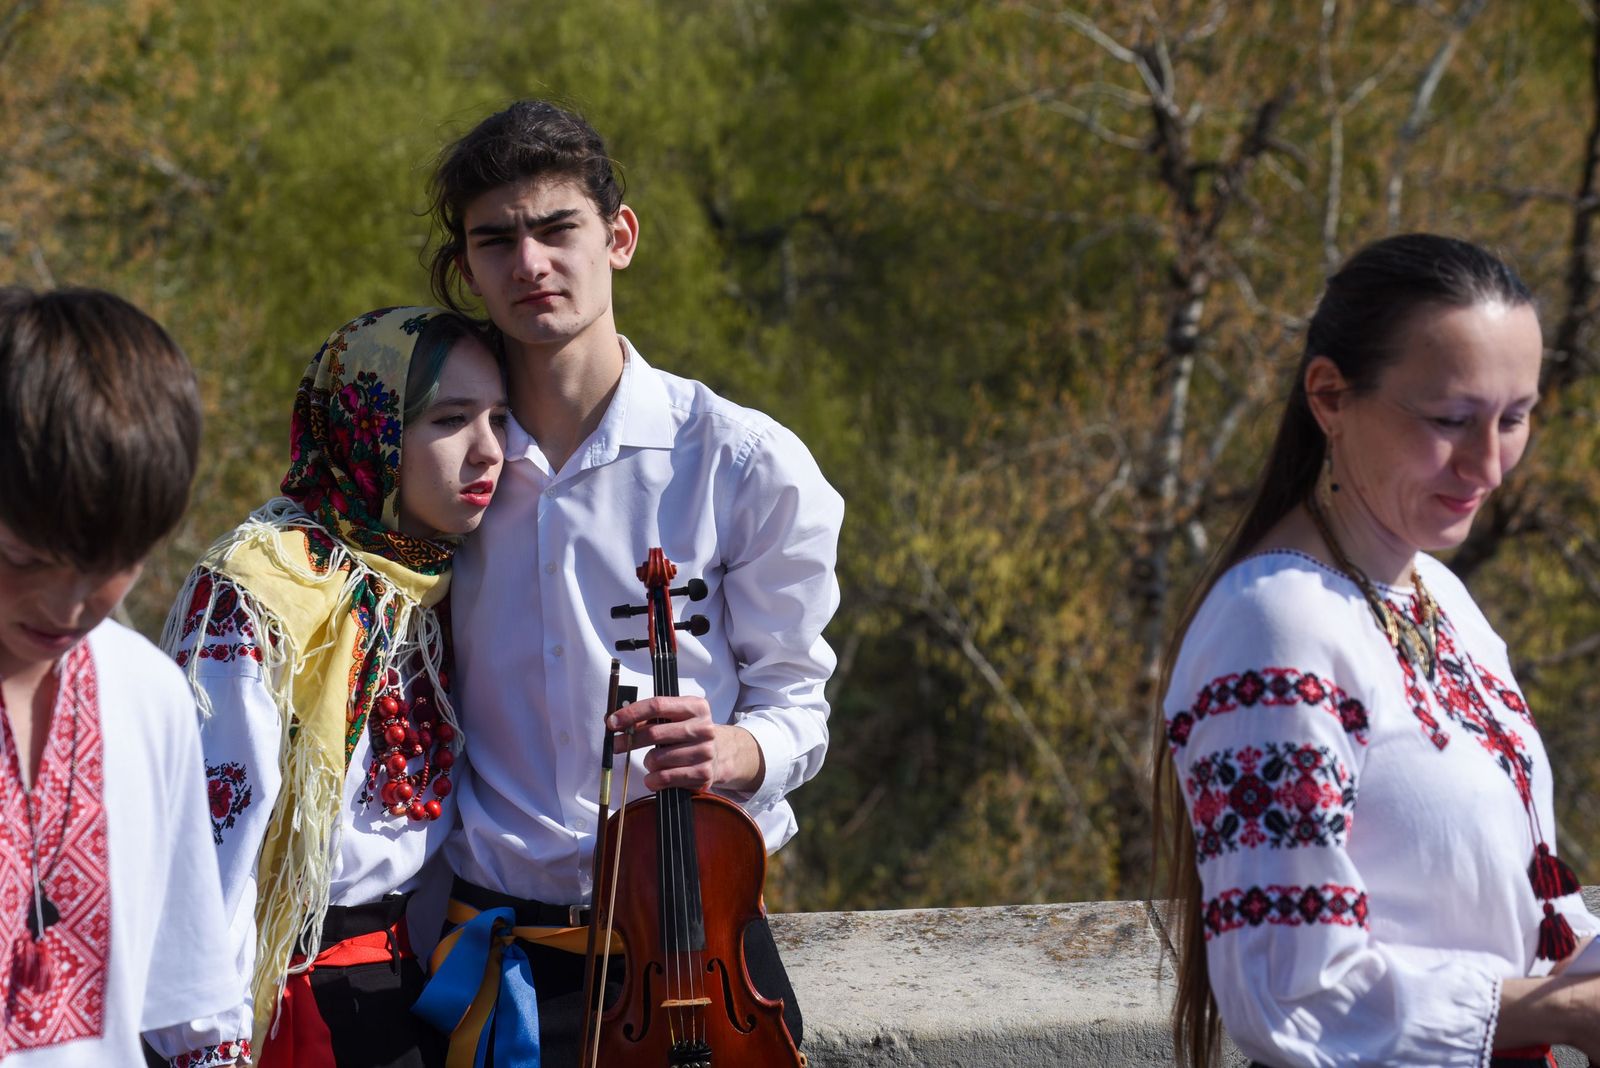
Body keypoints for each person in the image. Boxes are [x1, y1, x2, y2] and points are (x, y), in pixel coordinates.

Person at [413, 100, 844, 1064]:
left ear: (620, 237)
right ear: (467, 268)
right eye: (497, 240)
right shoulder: (436, 479)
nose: (530, 264)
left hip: (695, 949)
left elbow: (799, 701)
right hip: (495, 960)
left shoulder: (743, 463)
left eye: (557, 228)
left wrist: (736, 750)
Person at [1156, 233, 1600, 1068]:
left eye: (1515, 419)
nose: (1490, 466)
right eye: (1450, 421)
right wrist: (1569, 1010)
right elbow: (1289, 995)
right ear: (1329, 396)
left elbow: (1491, 906)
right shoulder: (1273, 628)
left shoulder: (1441, 596)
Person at [157, 305, 507, 1066]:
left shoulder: (435, 587)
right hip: (286, 1010)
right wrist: (204, 1046)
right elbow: (207, 846)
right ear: (368, 429)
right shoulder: (263, 589)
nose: (488, 451)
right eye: (451, 419)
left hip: (410, 992)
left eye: (501, 419)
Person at [0, 286, 248, 1065]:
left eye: (113, 565)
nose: (68, 603)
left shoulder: (147, 693)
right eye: (23, 557)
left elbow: (189, 1007)